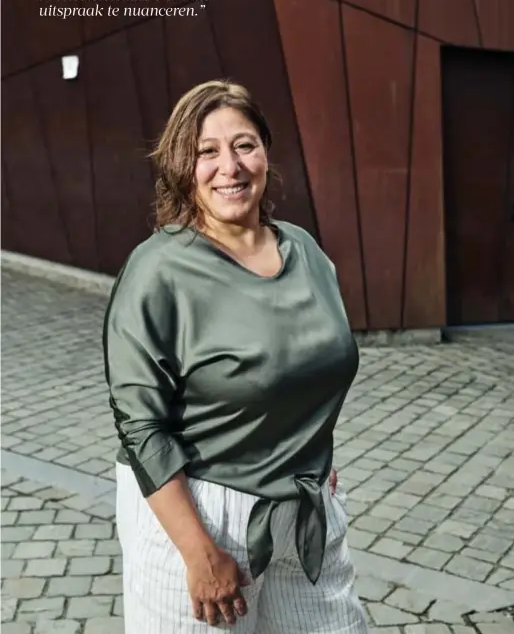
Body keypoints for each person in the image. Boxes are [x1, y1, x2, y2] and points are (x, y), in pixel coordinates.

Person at [102, 79, 368, 633]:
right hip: (200, 514)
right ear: (183, 165)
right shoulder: (159, 269)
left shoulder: (307, 251)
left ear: (266, 152)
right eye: (207, 151)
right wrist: (197, 552)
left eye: (244, 145)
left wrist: (307, 442)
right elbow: (140, 424)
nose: (231, 165)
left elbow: (315, 365)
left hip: (304, 508)